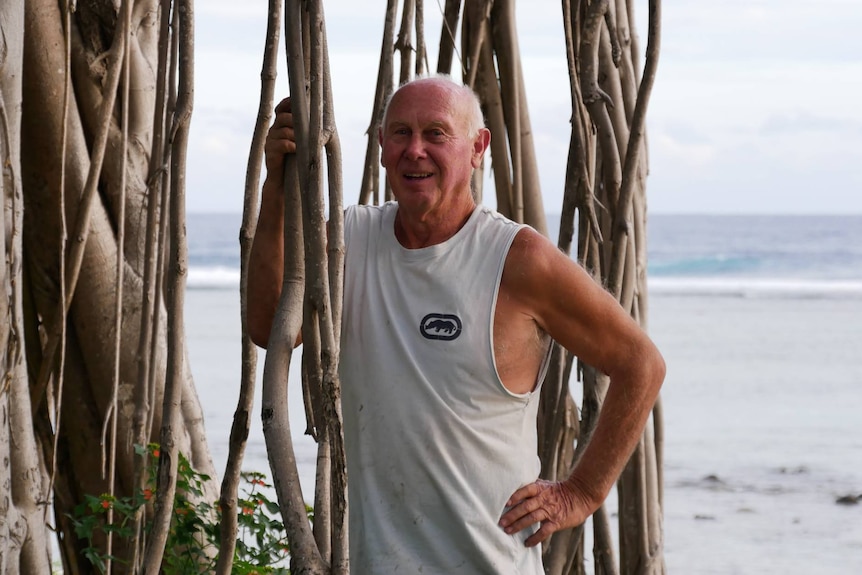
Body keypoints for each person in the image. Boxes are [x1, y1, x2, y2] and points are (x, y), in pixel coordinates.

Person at [248, 75, 665, 574]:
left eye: (436, 134)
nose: (415, 150)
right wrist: (277, 185)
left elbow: (640, 364)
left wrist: (581, 492)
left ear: (477, 148)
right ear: (381, 147)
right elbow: (270, 326)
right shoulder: (348, 243)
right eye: (400, 133)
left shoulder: (515, 258)